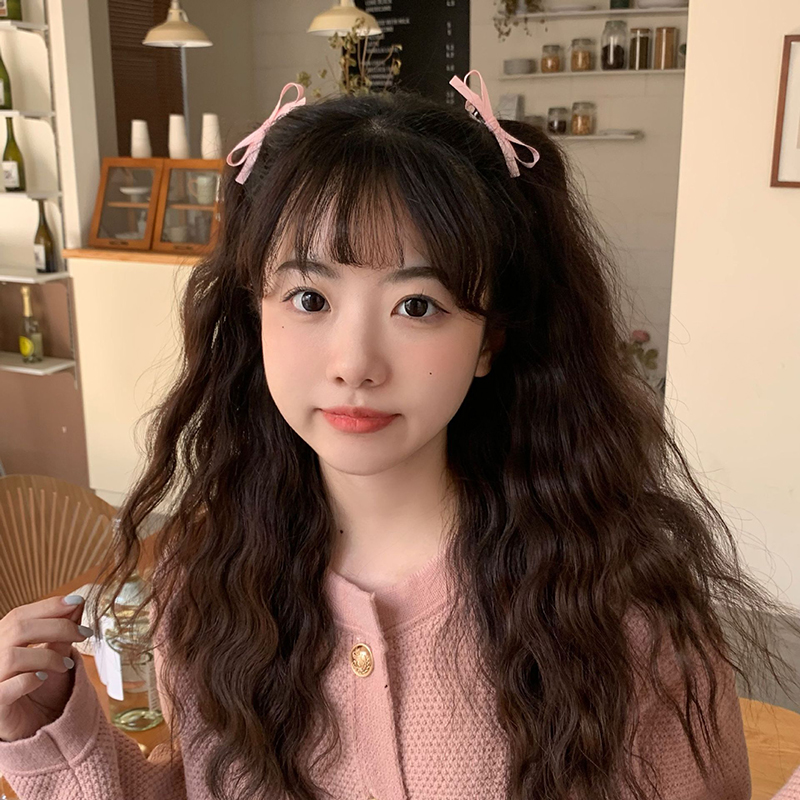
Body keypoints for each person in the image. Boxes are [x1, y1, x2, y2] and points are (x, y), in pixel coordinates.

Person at [0, 69, 798, 800]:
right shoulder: (208, 585)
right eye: (309, 299)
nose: (354, 363)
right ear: (254, 313)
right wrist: (47, 732)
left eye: (417, 306)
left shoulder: (618, 607)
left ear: (489, 341)